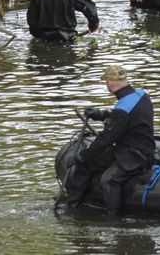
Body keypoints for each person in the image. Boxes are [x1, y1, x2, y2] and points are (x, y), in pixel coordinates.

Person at [65, 65, 155, 217]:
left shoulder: (123, 108)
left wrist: (81, 156)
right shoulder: (141, 95)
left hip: (134, 156)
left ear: (110, 83)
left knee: (109, 180)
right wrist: (102, 114)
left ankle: (113, 220)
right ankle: (74, 207)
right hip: (138, 148)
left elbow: (105, 139)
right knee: (86, 165)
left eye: (106, 81)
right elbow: (126, 117)